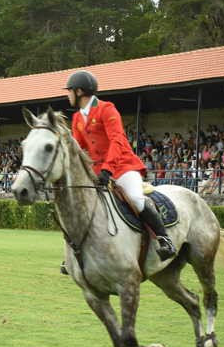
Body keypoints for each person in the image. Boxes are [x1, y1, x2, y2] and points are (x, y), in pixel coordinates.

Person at [66, 70, 176, 260]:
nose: (67, 95)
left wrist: (108, 169)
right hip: (96, 172)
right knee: (79, 204)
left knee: (135, 198)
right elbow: (79, 150)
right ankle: (75, 252)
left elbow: (117, 140)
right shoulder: (77, 119)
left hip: (122, 165)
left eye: (69, 91)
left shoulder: (107, 109)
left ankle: (164, 239)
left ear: (79, 91)